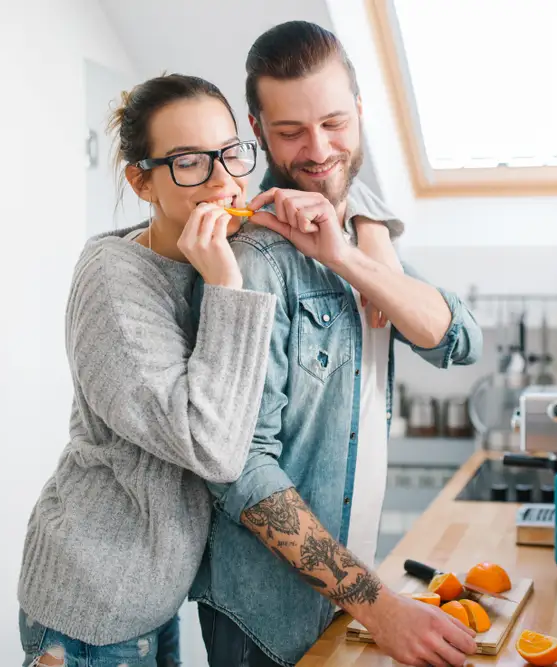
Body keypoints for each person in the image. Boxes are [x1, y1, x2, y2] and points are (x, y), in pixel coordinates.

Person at [15, 72, 396, 667]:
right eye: (189, 161)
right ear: (141, 180)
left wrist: (367, 235)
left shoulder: (210, 247)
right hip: (88, 606)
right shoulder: (114, 281)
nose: (223, 180)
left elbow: (328, 171)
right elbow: (214, 447)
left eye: (230, 154)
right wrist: (226, 283)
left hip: (151, 600)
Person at [187, 21, 484, 667]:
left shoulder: (355, 226)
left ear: (360, 110)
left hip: (342, 596)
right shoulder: (258, 260)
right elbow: (238, 470)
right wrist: (380, 605)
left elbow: (460, 342)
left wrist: (355, 254)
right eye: (290, 131)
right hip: (268, 621)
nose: (319, 149)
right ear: (257, 129)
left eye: (334, 122)